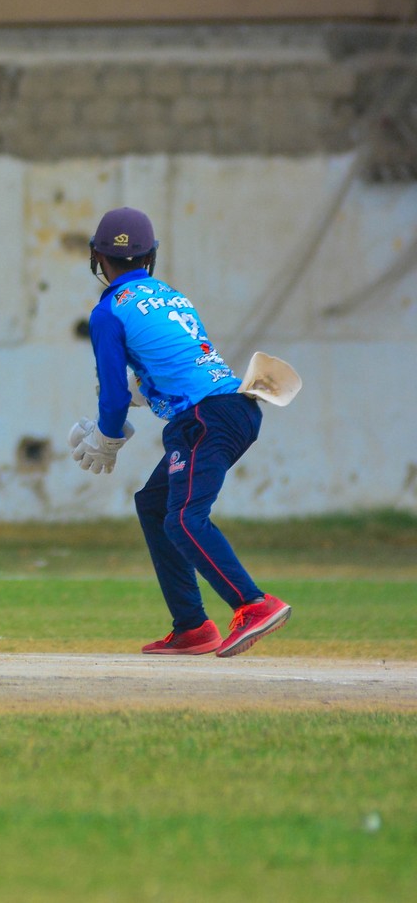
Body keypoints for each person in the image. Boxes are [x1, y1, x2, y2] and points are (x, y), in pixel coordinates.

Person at [70, 206, 291, 658]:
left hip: (206, 418)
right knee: (155, 506)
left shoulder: (108, 312)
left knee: (185, 519)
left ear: (97, 256)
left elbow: (112, 394)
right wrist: (140, 392)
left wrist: (107, 438)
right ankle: (192, 626)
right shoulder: (170, 296)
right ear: (150, 256)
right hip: (233, 407)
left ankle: (253, 604)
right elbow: (178, 362)